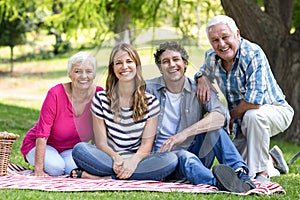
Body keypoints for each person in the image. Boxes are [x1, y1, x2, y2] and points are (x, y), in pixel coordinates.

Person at [194, 15, 294, 182]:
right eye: (215, 40)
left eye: (225, 37)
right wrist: (201, 78)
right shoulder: (211, 56)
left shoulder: (253, 54)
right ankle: (273, 159)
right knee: (239, 166)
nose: (221, 44)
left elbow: (254, 103)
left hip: (275, 111)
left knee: (254, 116)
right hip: (243, 120)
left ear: (237, 34)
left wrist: (230, 116)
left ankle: (262, 174)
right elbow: (202, 72)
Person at [146, 41, 256, 193]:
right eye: (165, 61)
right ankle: (220, 183)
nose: (172, 64)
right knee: (184, 157)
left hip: (195, 154)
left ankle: (240, 175)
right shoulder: (148, 89)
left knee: (214, 130)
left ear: (185, 63)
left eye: (176, 59)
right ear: (160, 68)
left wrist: (183, 134)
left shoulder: (199, 89)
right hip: (162, 161)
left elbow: (220, 116)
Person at [70, 43, 178, 181]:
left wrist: (132, 162)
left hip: (137, 159)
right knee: (80, 150)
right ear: (113, 68)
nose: (124, 67)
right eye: (118, 63)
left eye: (129, 61)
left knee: (171, 160)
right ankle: (132, 176)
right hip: (108, 158)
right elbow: (101, 143)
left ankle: (103, 177)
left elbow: (146, 146)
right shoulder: (101, 99)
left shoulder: (151, 102)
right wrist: (116, 158)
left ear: (136, 65)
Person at [20, 52, 103, 176]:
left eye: (88, 71)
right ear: (69, 74)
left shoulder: (99, 94)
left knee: (75, 167)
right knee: (56, 168)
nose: (83, 76)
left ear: (94, 74)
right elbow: (42, 134)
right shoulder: (55, 94)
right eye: (77, 71)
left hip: (71, 150)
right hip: (42, 145)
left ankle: (62, 164)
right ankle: (51, 163)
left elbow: (101, 131)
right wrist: (39, 169)